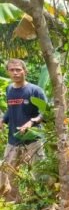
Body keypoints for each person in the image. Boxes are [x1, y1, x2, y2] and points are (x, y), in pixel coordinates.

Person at [0, 59, 46, 202]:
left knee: (39, 173)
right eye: (12, 70)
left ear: (25, 71)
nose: (15, 73)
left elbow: (45, 112)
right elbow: (10, 110)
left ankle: (41, 202)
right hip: (13, 140)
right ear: (8, 72)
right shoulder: (9, 90)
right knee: (8, 172)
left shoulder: (34, 90)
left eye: (18, 69)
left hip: (33, 140)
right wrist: (2, 120)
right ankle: (14, 203)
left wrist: (31, 122)